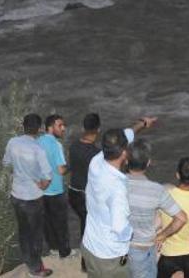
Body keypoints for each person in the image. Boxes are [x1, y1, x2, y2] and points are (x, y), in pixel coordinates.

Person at [82, 116, 158, 278]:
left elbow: (127, 134)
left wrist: (143, 124)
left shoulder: (96, 161)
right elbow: (121, 231)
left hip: (89, 244)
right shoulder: (117, 189)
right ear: (125, 153)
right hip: (109, 257)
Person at [126, 138, 187, 278]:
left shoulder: (116, 183)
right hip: (142, 249)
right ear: (148, 163)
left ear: (126, 160)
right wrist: (162, 235)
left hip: (118, 247)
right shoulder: (157, 190)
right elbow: (182, 218)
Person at [3, 113, 53, 277]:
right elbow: (47, 176)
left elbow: (6, 163)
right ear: (39, 129)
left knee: (24, 230)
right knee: (36, 234)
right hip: (33, 198)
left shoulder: (12, 142)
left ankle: (27, 260)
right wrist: (42, 185)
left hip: (16, 195)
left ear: (23, 126)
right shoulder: (38, 149)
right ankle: (37, 268)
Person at [37, 114, 77, 259]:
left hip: (41, 190)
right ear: (50, 127)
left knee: (47, 222)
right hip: (55, 190)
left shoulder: (38, 142)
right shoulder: (56, 144)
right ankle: (64, 252)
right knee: (60, 222)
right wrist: (71, 166)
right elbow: (60, 170)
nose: (63, 128)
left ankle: (52, 249)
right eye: (60, 125)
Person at [68, 113, 103, 272]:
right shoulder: (96, 154)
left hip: (72, 193)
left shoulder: (73, 146)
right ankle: (86, 263)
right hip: (85, 196)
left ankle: (86, 260)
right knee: (89, 229)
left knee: (84, 224)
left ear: (83, 128)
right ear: (98, 129)